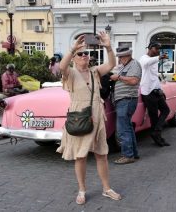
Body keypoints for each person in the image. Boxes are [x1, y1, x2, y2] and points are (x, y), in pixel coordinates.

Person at [57, 31, 121, 205]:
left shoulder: (94, 72)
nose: (84, 55)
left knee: (102, 154)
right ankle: (82, 190)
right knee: (81, 156)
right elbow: (61, 67)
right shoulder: (70, 73)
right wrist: (72, 49)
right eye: (81, 54)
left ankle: (107, 188)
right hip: (80, 117)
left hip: (97, 117)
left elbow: (112, 64)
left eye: (87, 53)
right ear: (74, 58)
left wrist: (108, 47)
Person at [110, 43, 142, 164]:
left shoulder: (134, 64)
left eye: (121, 57)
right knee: (127, 127)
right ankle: (134, 153)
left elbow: (134, 80)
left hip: (127, 99)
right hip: (125, 100)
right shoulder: (124, 66)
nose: (119, 59)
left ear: (128, 55)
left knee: (123, 129)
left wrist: (118, 77)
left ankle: (128, 155)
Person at [139, 42, 170, 147]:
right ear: (150, 48)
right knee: (154, 117)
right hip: (147, 92)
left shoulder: (155, 60)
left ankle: (156, 131)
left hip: (156, 90)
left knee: (166, 110)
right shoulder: (144, 58)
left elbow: (154, 76)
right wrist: (159, 57)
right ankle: (158, 139)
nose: (158, 51)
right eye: (156, 49)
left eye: (159, 49)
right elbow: (145, 63)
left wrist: (160, 88)